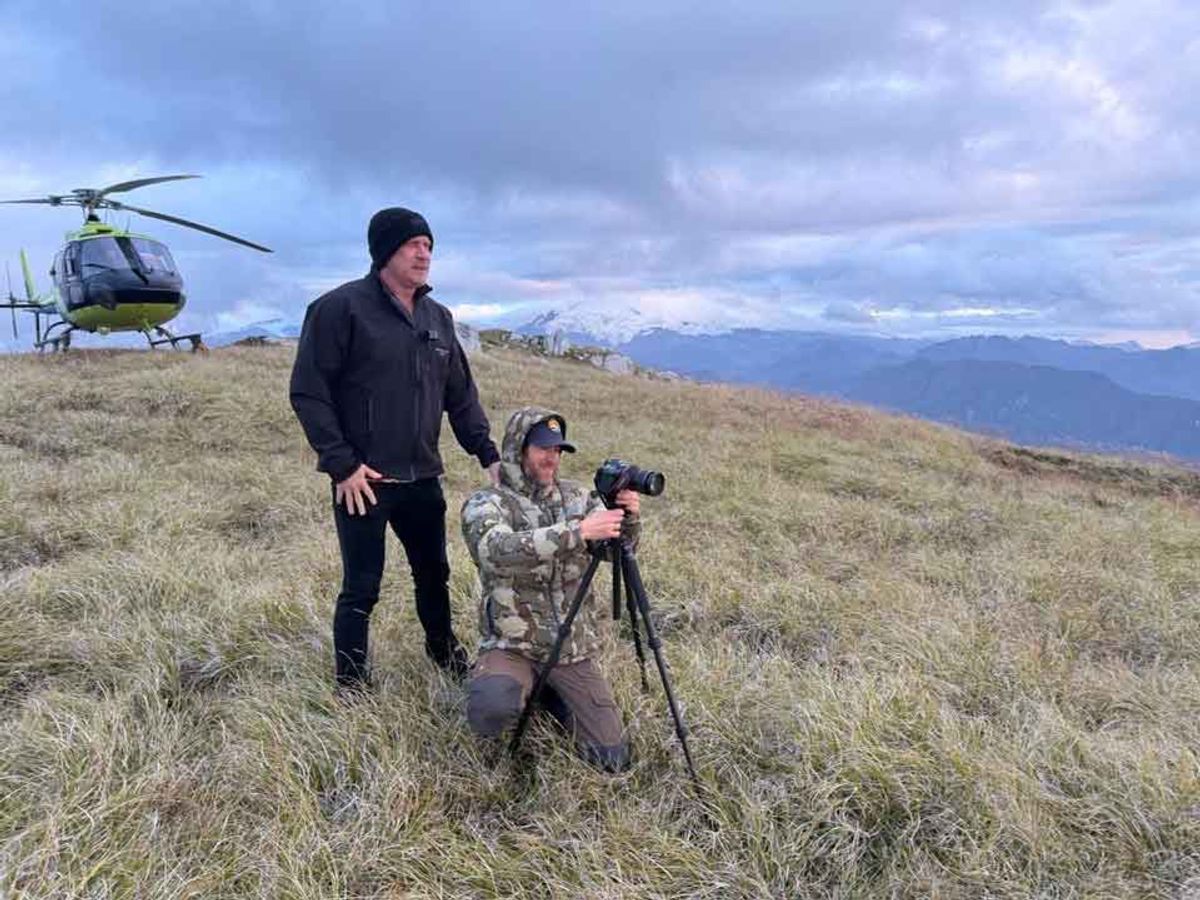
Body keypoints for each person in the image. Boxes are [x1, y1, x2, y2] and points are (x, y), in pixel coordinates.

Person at [290, 207, 500, 690]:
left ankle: (443, 651)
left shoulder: (437, 319)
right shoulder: (339, 309)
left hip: (423, 477)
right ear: (385, 250)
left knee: (434, 575)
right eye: (413, 244)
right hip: (365, 480)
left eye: (428, 244)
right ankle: (352, 684)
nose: (424, 253)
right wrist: (343, 466)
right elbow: (308, 391)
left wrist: (487, 453)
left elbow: (460, 396)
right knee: (361, 587)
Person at [460, 406, 638, 772]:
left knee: (611, 759)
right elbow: (495, 550)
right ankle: (510, 684)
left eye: (558, 450)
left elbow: (619, 552)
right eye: (543, 449)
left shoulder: (577, 499)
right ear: (517, 449)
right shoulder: (488, 503)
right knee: (490, 710)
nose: (552, 458)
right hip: (512, 645)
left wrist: (629, 518)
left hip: (570, 649)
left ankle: (549, 692)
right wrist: (578, 532)